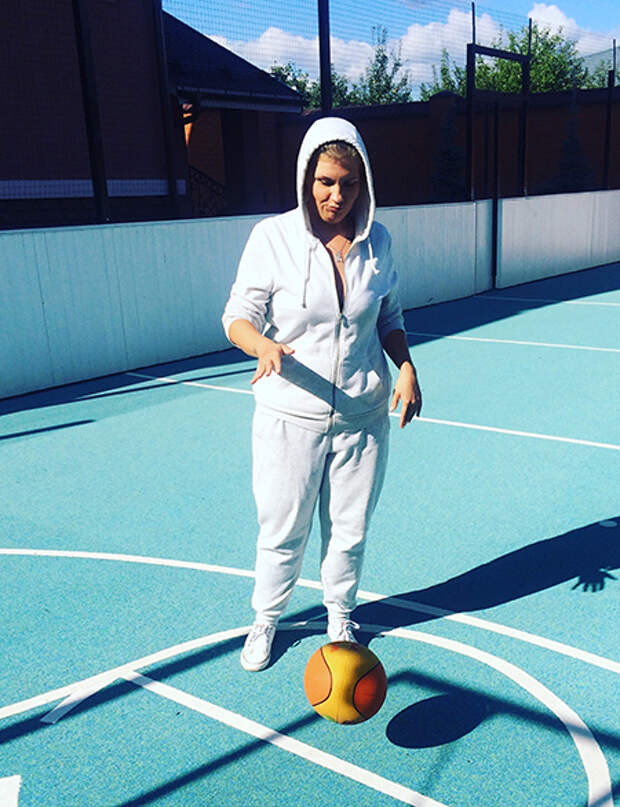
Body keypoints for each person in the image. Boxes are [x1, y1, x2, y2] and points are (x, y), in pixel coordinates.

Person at [222, 116, 421, 671]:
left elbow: (390, 315)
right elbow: (236, 316)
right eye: (326, 182)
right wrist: (261, 344)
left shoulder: (378, 241)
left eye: (349, 184)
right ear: (306, 178)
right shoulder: (272, 238)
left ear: (365, 183)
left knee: (349, 531)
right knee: (283, 530)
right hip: (289, 415)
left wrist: (406, 366)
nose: (337, 196)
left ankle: (341, 614)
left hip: (363, 416)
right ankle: (266, 619)